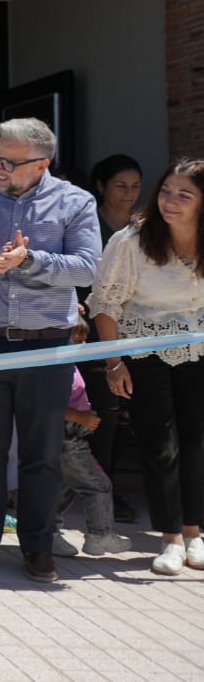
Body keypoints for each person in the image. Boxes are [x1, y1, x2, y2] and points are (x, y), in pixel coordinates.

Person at [0, 118, 100, 584]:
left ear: (41, 164)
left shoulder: (76, 202)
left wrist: (31, 260)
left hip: (46, 346)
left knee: (41, 453)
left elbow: (87, 267)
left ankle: (37, 545)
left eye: (10, 162)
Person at [93, 159, 204, 576]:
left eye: (184, 195)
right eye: (166, 191)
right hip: (144, 350)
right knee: (161, 444)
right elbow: (104, 304)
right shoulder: (132, 239)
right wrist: (114, 363)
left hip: (200, 349)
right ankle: (170, 537)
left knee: (197, 442)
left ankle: (195, 532)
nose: (170, 201)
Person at [82, 153, 145, 522]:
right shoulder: (88, 223)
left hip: (135, 330)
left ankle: (109, 484)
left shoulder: (144, 228)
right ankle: (100, 490)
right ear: (102, 186)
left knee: (126, 415)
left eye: (136, 186)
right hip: (91, 330)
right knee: (101, 412)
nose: (129, 194)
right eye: (120, 185)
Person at [52, 367, 132, 559]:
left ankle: (50, 533)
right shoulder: (56, 366)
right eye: (79, 335)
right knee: (98, 486)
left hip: (70, 433)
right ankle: (100, 534)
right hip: (66, 436)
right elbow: (49, 402)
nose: (82, 339)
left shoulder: (69, 364)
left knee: (64, 487)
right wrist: (80, 417)